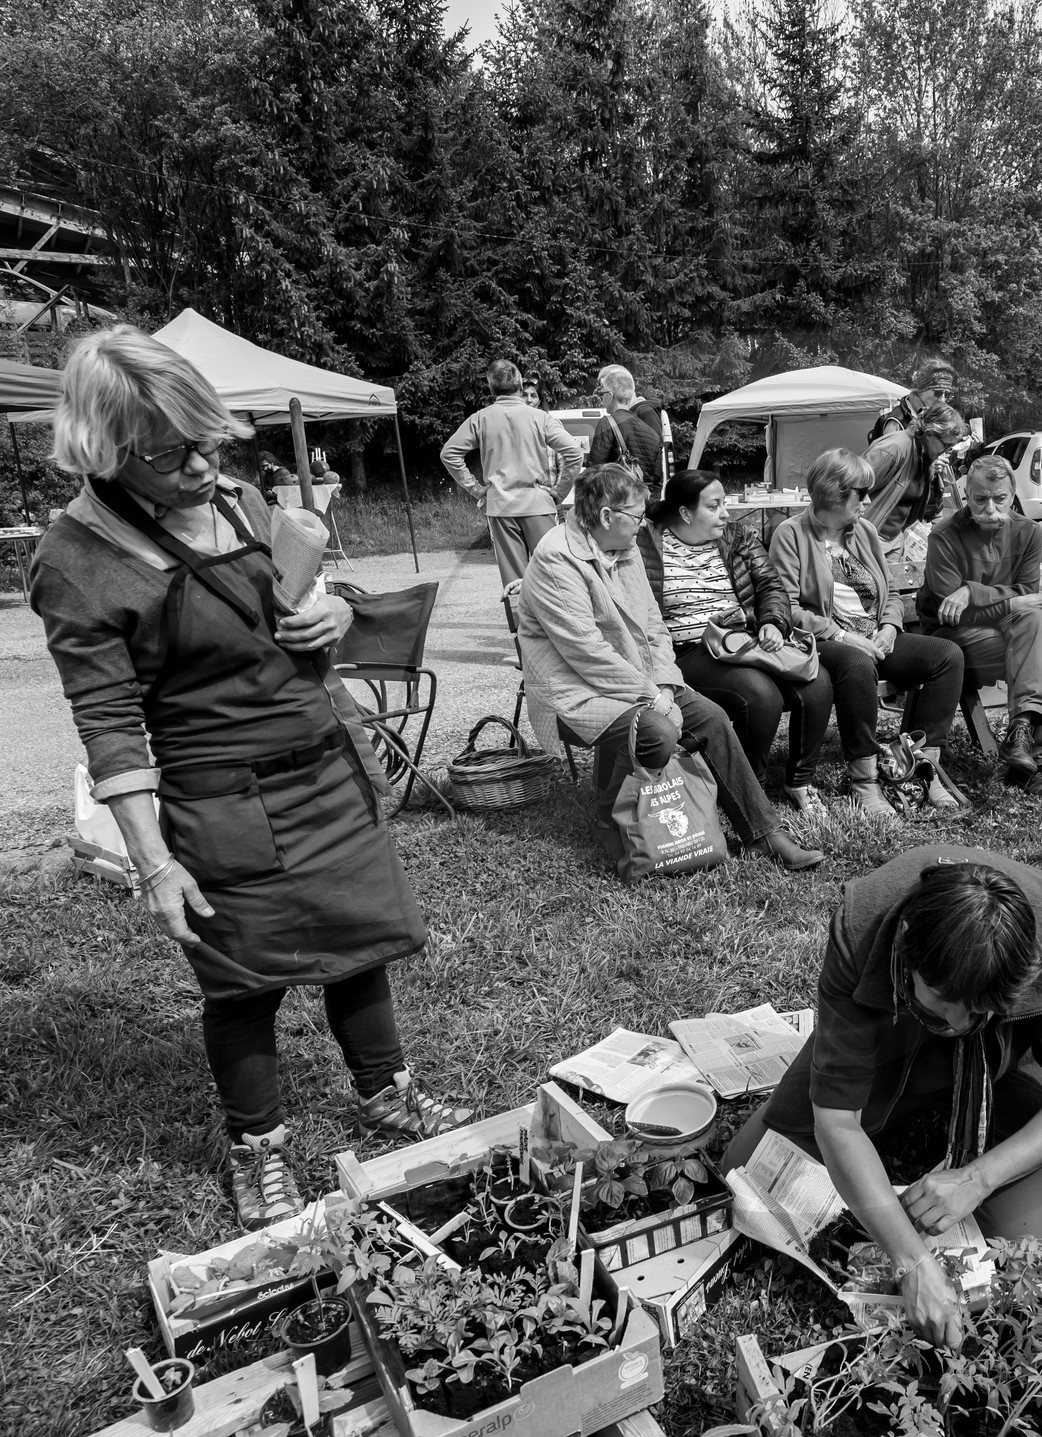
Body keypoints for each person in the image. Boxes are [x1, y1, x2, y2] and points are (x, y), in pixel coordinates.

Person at [30, 326, 468, 1230]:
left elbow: (303, 600)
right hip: (222, 800)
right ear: (104, 451)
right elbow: (109, 727)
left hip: (323, 767)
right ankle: (257, 1147)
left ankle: (386, 1091)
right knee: (242, 981)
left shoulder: (236, 501)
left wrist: (328, 618)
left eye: (209, 440)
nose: (201, 465)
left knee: (360, 941)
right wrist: (156, 863)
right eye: (170, 453)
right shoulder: (76, 559)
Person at [720, 847, 1042, 1348]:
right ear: (906, 943)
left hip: (996, 1065)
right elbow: (838, 1120)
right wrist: (911, 1262)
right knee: (743, 1167)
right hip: (891, 1038)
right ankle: (917, 1075)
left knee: (1029, 1246)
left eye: (977, 1009)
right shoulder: (863, 925)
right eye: (943, 998)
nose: (955, 1024)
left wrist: (978, 1177)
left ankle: (971, 1064)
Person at [519, 463, 823, 871]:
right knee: (658, 732)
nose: (643, 524)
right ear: (607, 516)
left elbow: (654, 626)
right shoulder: (557, 559)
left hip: (640, 680)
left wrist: (663, 684)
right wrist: (652, 696)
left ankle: (763, 834)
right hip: (577, 689)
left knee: (712, 718)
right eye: (637, 516)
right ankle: (613, 815)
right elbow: (585, 652)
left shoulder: (622, 546)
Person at [768, 448, 967, 817]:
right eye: (862, 494)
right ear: (834, 493)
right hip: (826, 642)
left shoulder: (864, 530)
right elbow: (786, 608)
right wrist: (842, 636)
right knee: (857, 662)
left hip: (875, 637)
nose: (870, 501)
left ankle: (920, 768)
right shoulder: (791, 534)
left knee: (947, 656)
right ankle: (864, 779)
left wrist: (890, 628)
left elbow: (889, 591)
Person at [640, 470, 835, 815]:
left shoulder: (736, 537)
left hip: (741, 640)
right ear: (685, 513)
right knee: (759, 694)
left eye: (724, 504)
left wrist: (774, 622)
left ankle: (799, 781)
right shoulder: (648, 546)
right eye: (714, 507)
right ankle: (750, 790)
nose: (726, 513)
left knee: (816, 682)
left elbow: (771, 586)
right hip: (688, 651)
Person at [917, 456, 1042, 799]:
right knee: (1038, 642)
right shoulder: (944, 535)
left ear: (1013, 495)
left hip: (1008, 631)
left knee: (1036, 624)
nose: (990, 508)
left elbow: (1029, 597)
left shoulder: (1028, 532)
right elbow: (953, 614)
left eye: (1000, 499)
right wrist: (1010, 603)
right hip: (948, 639)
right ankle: (1030, 763)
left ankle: (1021, 737)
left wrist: (972, 592)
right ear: (966, 495)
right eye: (980, 499)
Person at [440, 360, 583, 589]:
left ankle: (523, 623)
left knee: (516, 581)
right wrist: (559, 491)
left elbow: (449, 453)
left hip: (501, 508)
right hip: (538, 504)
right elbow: (574, 453)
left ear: (491, 387)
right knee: (551, 575)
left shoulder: (481, 418)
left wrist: (476, 489)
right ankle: (554, 621)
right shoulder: (540, 418)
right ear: (519, 384)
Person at [861, 401, 968, 565]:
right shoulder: (893, 449)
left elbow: (933, 506)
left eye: (951, 447)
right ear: (930, 433)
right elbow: (851, 489)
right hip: (869, 538)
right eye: (946, 445)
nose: (946, 451)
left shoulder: (926, 457)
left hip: (896, 540)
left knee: (893, 589)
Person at [586, 364, 665, 493]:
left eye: (603, 394)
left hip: (616, 498)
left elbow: (593, 471)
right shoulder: (651, 430)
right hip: (640, 501)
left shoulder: (607, 422)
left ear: (610, 396)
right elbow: (657, 477)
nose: (601, 398)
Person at [867, 357, 960, 444]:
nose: (943, 400)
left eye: (947, 394)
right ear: (922, 389)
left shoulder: (935, 417)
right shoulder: (897, 421)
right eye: (938, 393)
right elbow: (888, 458)